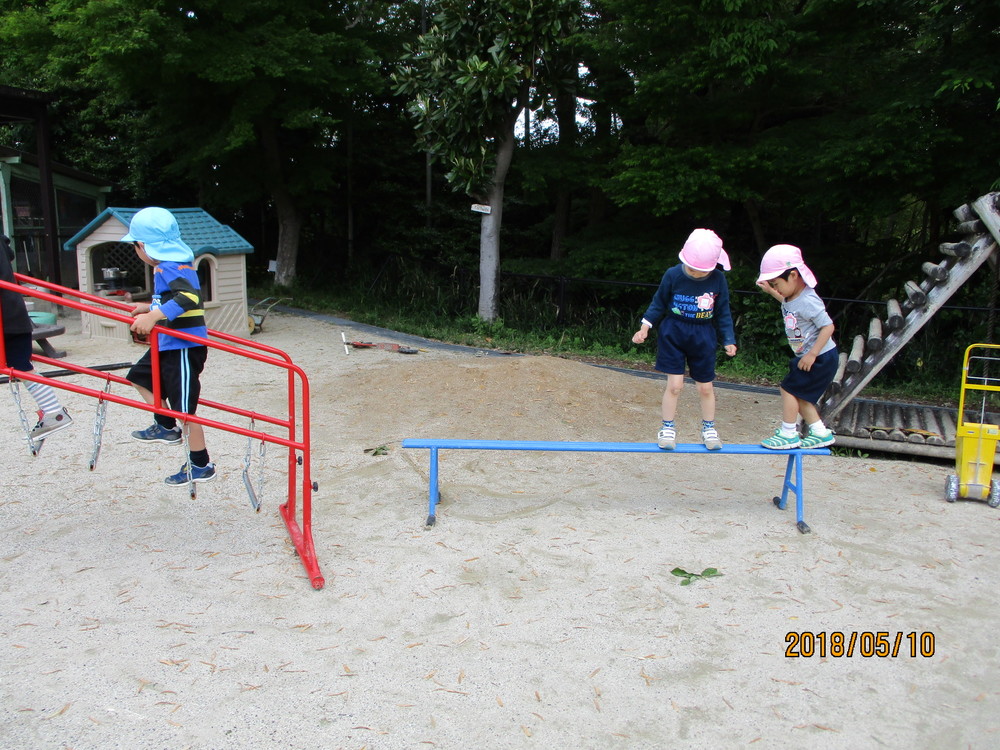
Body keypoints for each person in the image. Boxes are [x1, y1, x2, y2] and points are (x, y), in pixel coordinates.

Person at [122, 207, 216, 485]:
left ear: (142, 245)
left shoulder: (171, 266)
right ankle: (164, 425)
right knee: (139, 378)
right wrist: (146, 307)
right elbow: (172, 299)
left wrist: (152, 316)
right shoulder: (168, 266)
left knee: (185, 409)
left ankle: (201, 465)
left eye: (135, 246)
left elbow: (189, 297)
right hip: (168, 344)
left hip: (184, 346)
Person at [632, 228, 738, 450]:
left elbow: (723, 311)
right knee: (675, 385)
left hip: (704, 335)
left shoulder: (718, 279)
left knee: (706, 387)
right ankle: (667, 427)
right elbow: (658, 302)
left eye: (701, 271)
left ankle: (709, 428)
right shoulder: (673, 274)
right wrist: (645, 327)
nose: (695, 273)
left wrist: (728, 338)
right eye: (691, 268)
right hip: (674, 332)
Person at [755, 244, 838, 449]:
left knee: (788, 388)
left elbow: (828, 327)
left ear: (793, 275)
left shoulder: (809, 300)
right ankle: (820, 433)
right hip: (812, 356)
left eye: (776, 283)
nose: (776, 288)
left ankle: (788, 433)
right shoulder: (792, 297)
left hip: (821, 357)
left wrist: (812, 354)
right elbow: (785, 301)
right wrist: (771, 291)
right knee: (801, 398)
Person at [0, 233, 73, 440]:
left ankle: (54, 412)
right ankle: (52, 411)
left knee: (21, 366)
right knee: (21, 365)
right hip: (13, 315)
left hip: (5, 319)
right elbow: (9, 254)